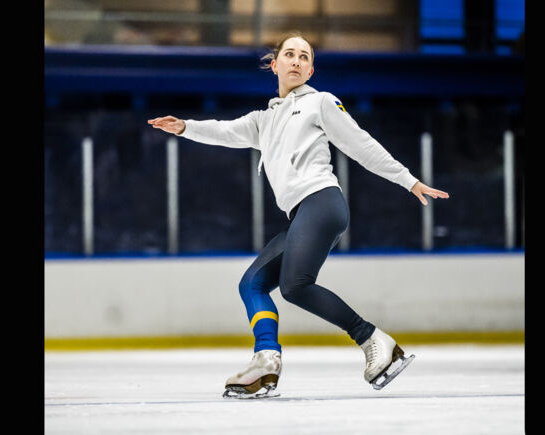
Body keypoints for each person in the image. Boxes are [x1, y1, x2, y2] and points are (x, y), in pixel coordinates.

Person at [148, 32, 449, 398]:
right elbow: (225, 131)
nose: (296, 61)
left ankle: (373, 339)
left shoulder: (321, 103)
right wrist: (185, 127)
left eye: (304, 57)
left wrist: (408, 180)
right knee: (252, 284)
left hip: (322, 202)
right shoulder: (264, 120)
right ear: (275, 65)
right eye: (288, 54)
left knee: (295, 286)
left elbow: (361, 144)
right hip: (302, 213)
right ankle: (266, 360)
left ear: (310, 69)